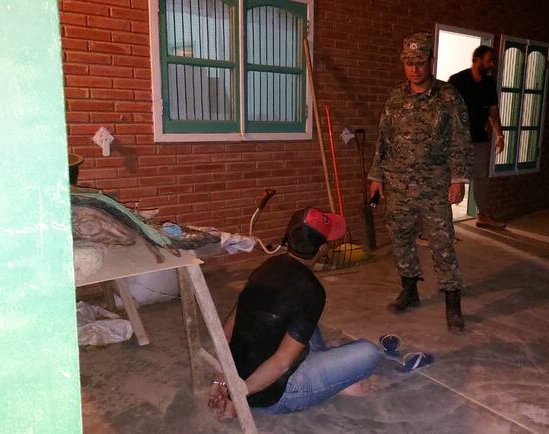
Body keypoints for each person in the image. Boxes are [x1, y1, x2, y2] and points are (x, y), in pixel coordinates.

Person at [208, 208, 382, 417]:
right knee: (369, 352)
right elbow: (281, 363)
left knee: (303, 319)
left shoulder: (268, 266)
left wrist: (220, 380)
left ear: (288, 239)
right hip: (278, 392)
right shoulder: (312, 290)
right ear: (323, 249)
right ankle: (334, 382)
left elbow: (228, 331)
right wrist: (238, 397)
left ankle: (331, 375)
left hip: (241, 374)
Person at [367, 32, 474, 333]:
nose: (414, 69)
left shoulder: (448, 97)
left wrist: (458, 179)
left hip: (434, 186)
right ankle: (409, 289)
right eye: (408, 63)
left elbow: (460, 141)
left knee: (442, 243)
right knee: (400, 238)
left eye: (420, 62)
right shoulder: (395, 97)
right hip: (397, 183)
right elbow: (384, 140)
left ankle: (452, 302)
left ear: (431, 62)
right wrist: (376, 176)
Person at [448, 45, 506, 230]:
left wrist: (499, 135)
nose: (492, 64)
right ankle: (443, 221)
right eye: (489, 60)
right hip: (457, 140)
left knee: (481, 178)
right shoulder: (457, 80)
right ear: (477, 59)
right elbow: (445, 110)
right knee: (452, 178)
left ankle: (483, 216)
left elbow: (493, 111)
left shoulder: (488, 83)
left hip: (480, 139)